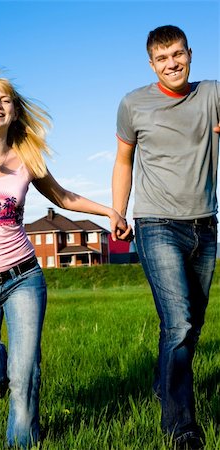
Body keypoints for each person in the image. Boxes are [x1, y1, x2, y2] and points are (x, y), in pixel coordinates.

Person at [0, 75, 131, 449]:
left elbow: (64, 198)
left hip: (23, 278)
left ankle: (22, 443)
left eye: (4, 100)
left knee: (26, 372)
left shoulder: (26, 160)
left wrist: (109, 212)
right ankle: (1, 369)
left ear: (14, 110)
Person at [112, 25, 219, 449]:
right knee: (178, 322)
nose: (171, 64)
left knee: (193, 326)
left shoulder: (212, 94)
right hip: (155, 223)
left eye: (178, 55)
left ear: (190, 54)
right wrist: (118, 212)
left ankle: (165, 382)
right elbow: (123, 161)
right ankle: (180, 425)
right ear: (151, 63)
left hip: (205, 224)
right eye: (162, 58)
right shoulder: (133, 104)